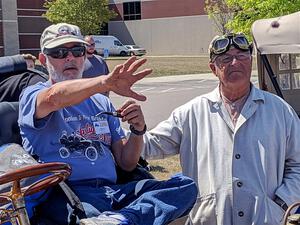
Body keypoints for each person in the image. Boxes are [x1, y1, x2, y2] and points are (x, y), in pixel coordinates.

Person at [18, 22, 197, 225]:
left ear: (85, 57)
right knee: (92, 216)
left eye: (77, 51)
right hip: (67, 195)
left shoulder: (101, 101)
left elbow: (127, 163)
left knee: (185, 186)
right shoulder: (33, 95)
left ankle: (121, 219)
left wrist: (138, 130)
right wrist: (103, 82)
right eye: (58, 52)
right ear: (43, 59)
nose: (69, 58)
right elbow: (54, 98)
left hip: (113, 192)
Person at [142, 33, 300, 225]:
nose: (235, 63)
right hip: (208, 220)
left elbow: (298, 164)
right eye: (225, 59)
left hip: (265, 219)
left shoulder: (279, 111)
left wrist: (282, 204)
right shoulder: (191, 113)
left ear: (250, 61)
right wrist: (124, 128)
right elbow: (148, 146)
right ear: (213, 68)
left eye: (242, 56)